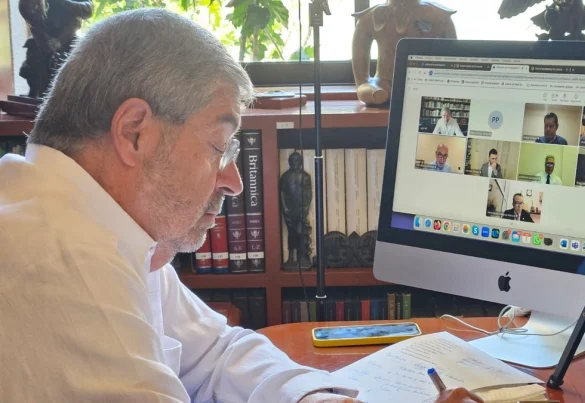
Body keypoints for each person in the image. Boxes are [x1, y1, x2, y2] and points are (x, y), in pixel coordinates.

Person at [0, 9, 483, 403]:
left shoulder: (96, 223)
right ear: (134, 133)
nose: (233, 182)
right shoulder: (58, 268)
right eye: (219, 145)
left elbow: (214, 350)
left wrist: (310, 398)